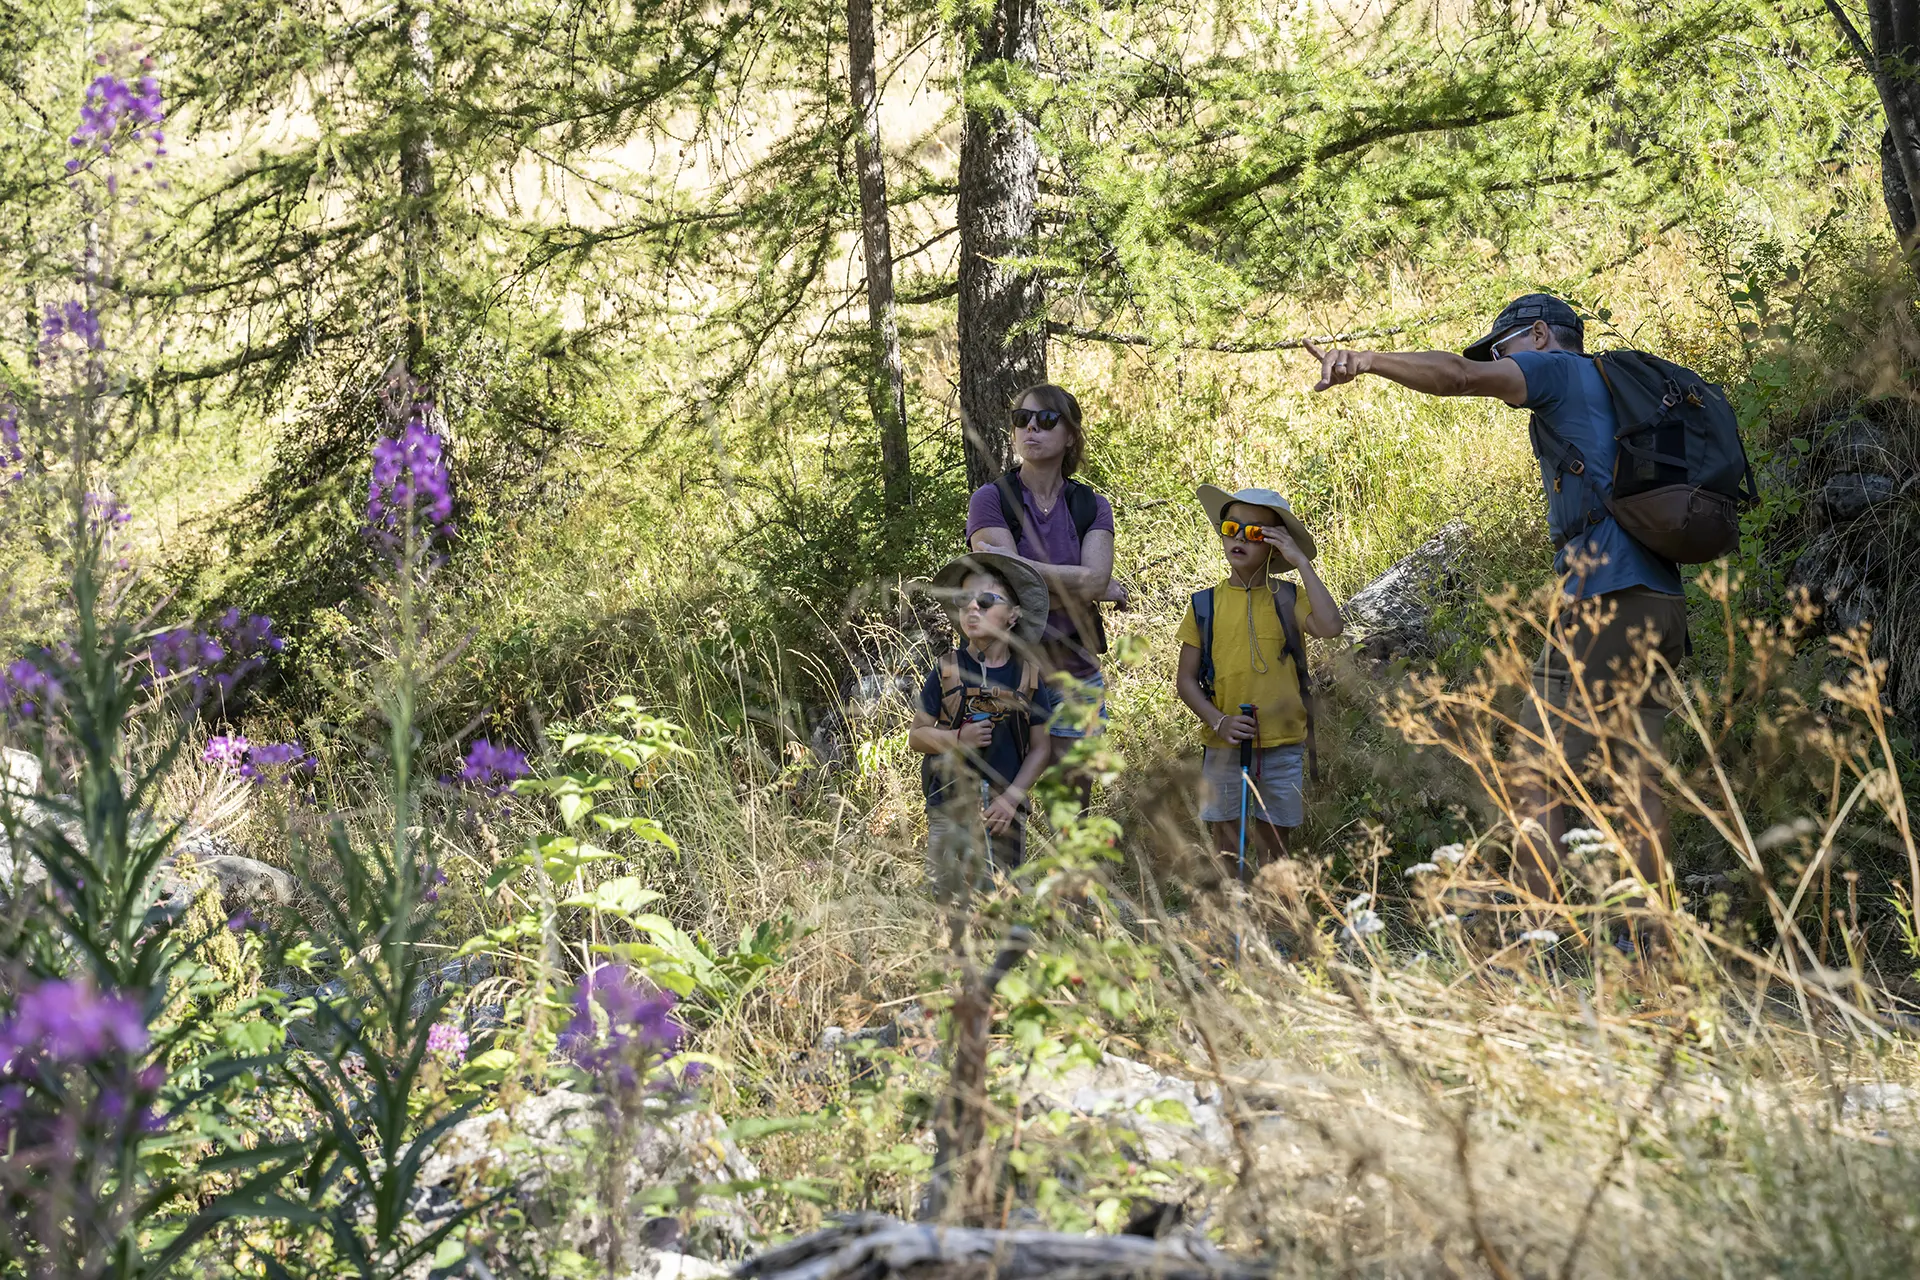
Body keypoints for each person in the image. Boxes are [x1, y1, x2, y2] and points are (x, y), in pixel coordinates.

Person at [1302, 294, 1686, 902]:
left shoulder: (1557, 369)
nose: (1501, 364)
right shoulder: (1612, 389)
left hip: (1604, 596)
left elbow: (1457, 375)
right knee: (1636, 777)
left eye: (1504, 350)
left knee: (1534, 767)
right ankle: (1656, 939)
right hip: (1659, 597)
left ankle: (1532, 936)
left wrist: (1367, 361)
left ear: (1538, 335)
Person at [1174, 486, 1344, 868]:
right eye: (1231, 528)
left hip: (1283, 742)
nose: (1239, 538)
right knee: (1225, 837)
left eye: (1255, 533)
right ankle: (1231, 916)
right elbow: (1185, 681)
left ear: (1273, 545)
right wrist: (1219, 721)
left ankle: (1274, 917)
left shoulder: (1289, 597)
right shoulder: (1205, 604)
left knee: (1274, 840)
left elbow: (1331, 627)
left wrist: (1302, 562)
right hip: (1223, 743)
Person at [967, 384, 1126, 750]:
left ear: (1070, 435)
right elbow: (1011, 591)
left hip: (1076, 675)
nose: (1031, 428)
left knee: (1072, 801)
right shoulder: (990, 500)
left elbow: (1085, 579)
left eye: (1046, 419)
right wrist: (1086, 588)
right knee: (1006, 802)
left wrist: (1019, 565)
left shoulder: (1091, 506)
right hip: (1004, 673)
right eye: (1022, 419)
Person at [909, 552, 1061, 898]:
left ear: (1013, 615)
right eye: (964, 601)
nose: (972, 608)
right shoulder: (947, 669)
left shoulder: (1027, 676)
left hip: (1002, 813)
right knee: (945, 894)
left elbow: (1041, 748)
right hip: (948, 804)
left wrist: (1011, 799)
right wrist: (957, 738)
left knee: (1001, 897)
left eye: (986, 600)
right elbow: (917, 736)